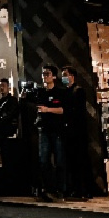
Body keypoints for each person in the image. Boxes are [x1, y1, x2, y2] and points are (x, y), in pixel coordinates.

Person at [26, 64, 67, 202]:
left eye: (47, 74)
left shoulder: (60, 92)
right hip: (43, 129)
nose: (44, 76)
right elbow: (27, 99)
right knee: (43, 160)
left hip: (57, 129)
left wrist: (47, 109)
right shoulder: (40, 92)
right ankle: (47, 188)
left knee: (59, 161)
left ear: (54, 76)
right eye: (43, 74)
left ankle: (60, 190)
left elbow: (63, 110)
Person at [61, 65, 91, 200]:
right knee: (71, 161)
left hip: (78, 132)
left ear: (72, 76)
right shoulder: (65, 92)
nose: (63, 78)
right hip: (68, 132)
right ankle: (74, 189)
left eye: (65, 75)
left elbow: (77, 111)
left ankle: (84, 190)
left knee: (81, 160)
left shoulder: (78, 91)